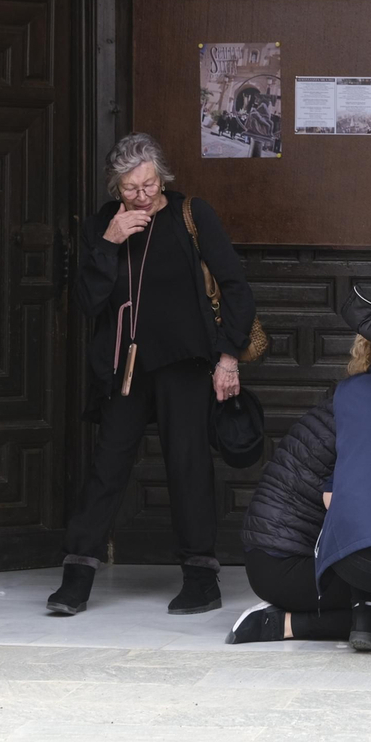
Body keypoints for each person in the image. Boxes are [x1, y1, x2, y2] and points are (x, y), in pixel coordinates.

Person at [48, 132, 256, 616]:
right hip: (125, 369)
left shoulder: (191, 215)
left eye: (148, 185)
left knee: (187, 466)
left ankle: (202, 580)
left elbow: (236, 287)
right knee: (107, 467)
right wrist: (109, 243)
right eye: (129, 189)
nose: (142, 196)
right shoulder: (105, 225)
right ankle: (76, 577)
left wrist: (228, 358)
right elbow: (86, 302)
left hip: (185, 364)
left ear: (161, 175)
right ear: (114, 189)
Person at [233, 332, 371, 658]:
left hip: (269, 560)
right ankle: (291, 625)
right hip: (293, 564)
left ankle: (361, 617)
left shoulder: (352, 395)